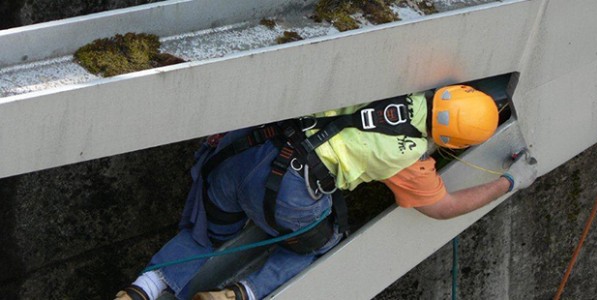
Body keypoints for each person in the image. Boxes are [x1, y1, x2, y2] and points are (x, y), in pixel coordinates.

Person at [115, 85, 538, 300]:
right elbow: (444, 208)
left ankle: (143, 289)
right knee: (320, 244)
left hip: (246, 150)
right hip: (290, 193)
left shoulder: (405, 76)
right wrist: (507, 182)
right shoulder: (410, 159)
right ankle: (240, 294)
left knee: (205, 234)